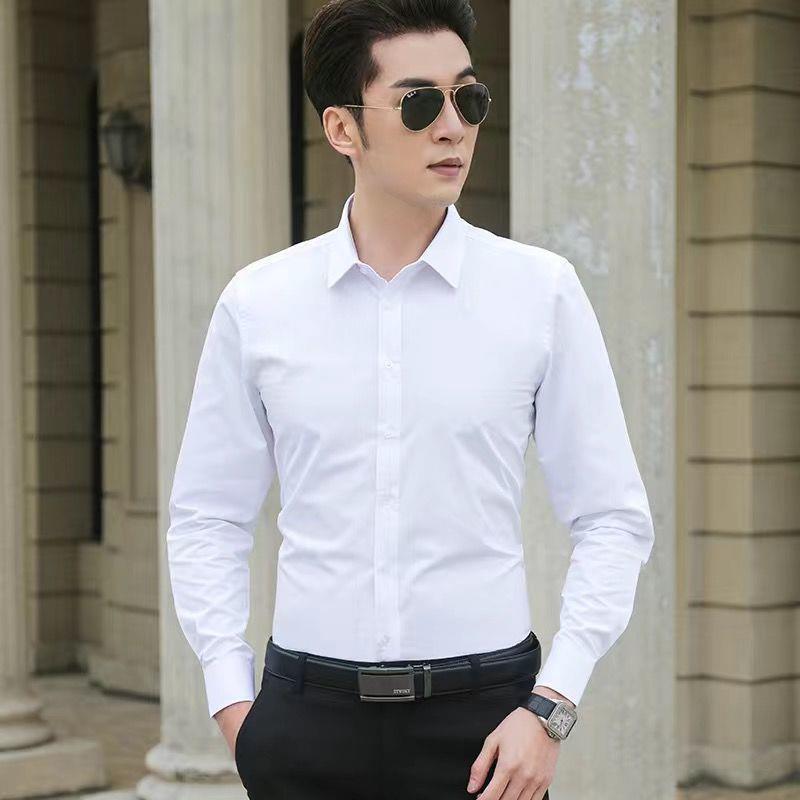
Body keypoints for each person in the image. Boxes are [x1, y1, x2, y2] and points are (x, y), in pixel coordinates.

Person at [165, 1, 655, 798]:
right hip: (303, 727)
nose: (453, 126)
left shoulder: (540, 293)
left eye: (469, 97)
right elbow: (206, 518)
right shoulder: (259, 304)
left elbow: (612, 518)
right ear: (342, 129)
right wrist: (232, 701)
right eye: (420, 102)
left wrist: (552, 706)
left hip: (487, 735)